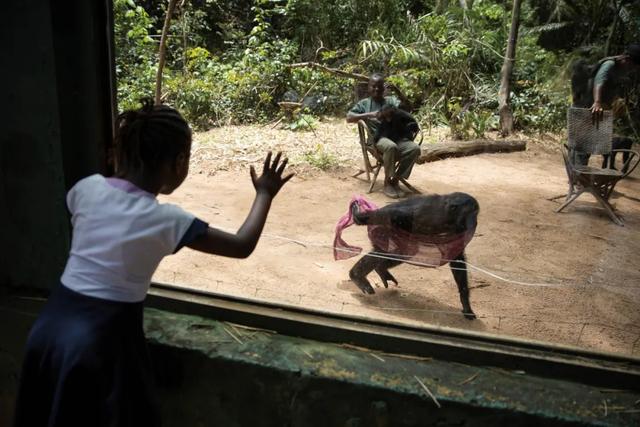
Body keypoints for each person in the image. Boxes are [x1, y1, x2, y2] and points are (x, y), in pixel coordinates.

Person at [13, 98, 293, 427]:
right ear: (179, 163)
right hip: (102, 340)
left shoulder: (84, 189)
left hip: (48, 328)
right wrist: (264, 193)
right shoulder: (165, 220)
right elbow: (242, 245)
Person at [346, 73, 421, 199]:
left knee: (414, 149)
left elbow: (408, 108)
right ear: (368, 87)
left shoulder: (391, 100)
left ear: (384, 88)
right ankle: (387, 182)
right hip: (377, 139)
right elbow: (349, 118)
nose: (376, 89)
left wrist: (398, 91)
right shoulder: (364, 104)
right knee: (390, 147)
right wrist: (370, 114)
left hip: (395, 136)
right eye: (373, 86)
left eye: (379, 87)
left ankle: (395, 179)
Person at [569, 43, 640, 165]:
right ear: (626, 59)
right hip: (588, 106)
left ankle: (578, 174)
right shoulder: (609, 64)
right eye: (633, 66)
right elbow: (599, 81)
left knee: (588, 142)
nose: (632, 69)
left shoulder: (618, 70)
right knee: (583, 143)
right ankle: (578, 175)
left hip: (595, 109)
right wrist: (597, 102)